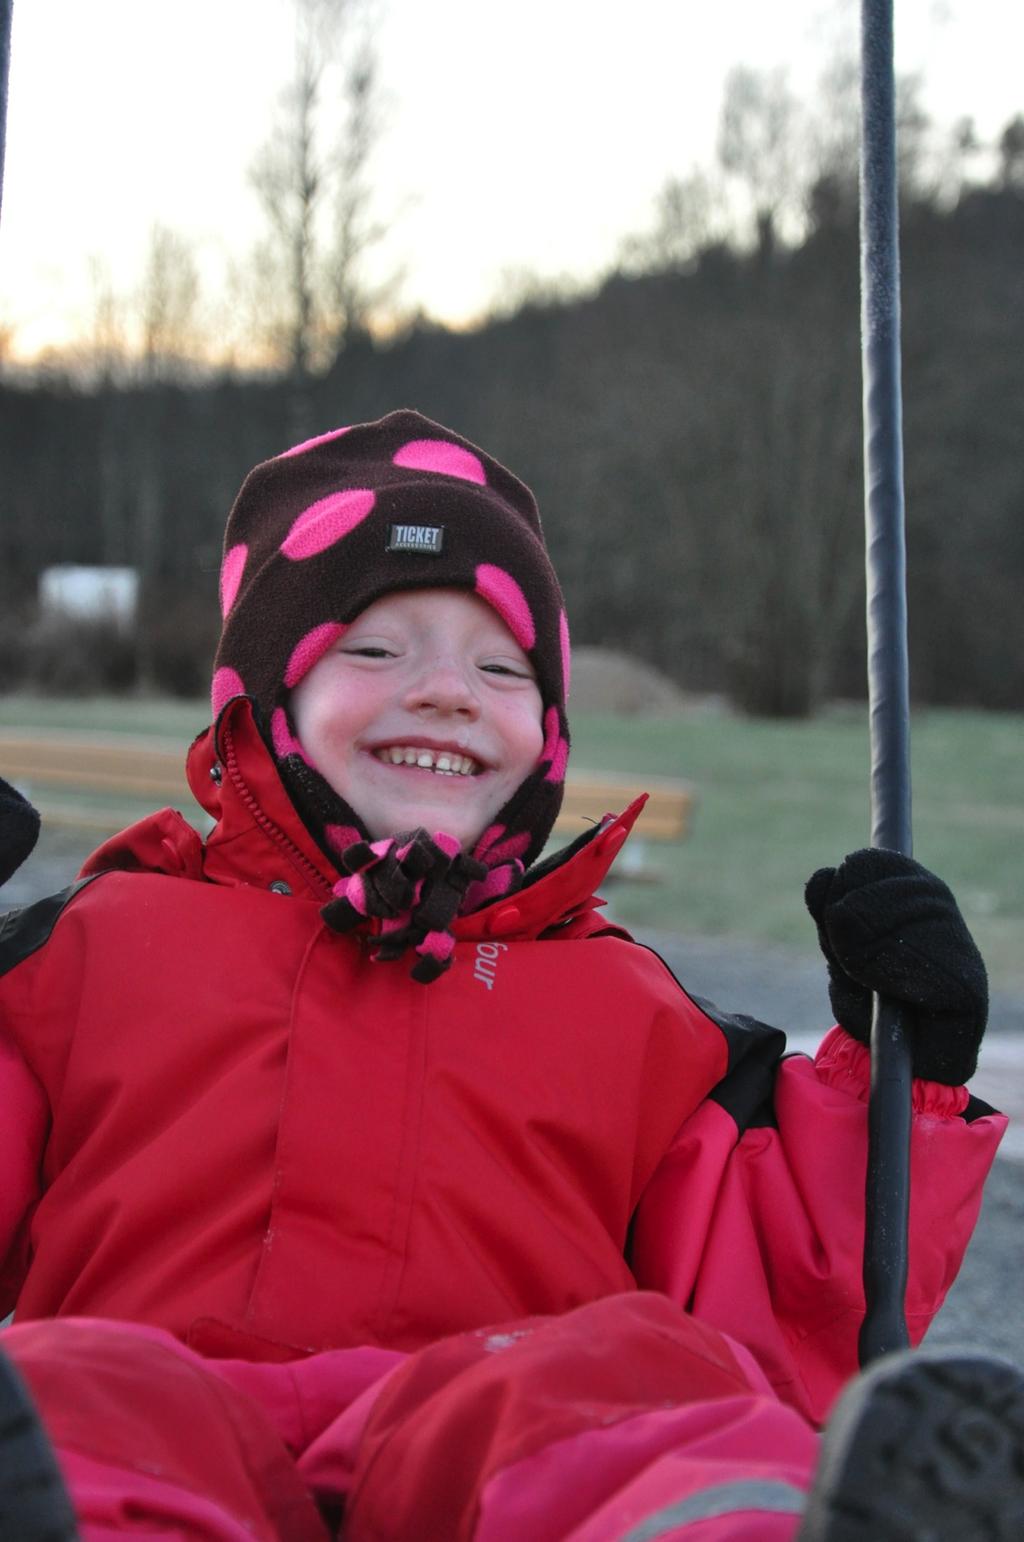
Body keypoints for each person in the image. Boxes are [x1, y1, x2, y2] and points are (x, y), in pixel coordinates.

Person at [0, 409, 1018, 1541]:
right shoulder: (92, 949)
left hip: (507, 1451)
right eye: (374, 648)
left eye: (500, 666)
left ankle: (732, 1528)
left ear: (548, 734)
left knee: (645, 1377)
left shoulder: (628, 1014)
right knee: (67, 1387)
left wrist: (902, 1073)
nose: (447, 690)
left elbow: (782, 1312)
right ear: (258, 699)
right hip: (155, 1405)